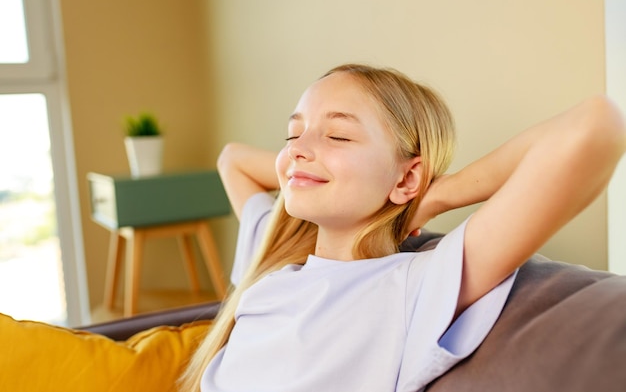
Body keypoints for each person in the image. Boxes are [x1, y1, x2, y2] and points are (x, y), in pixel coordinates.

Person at [180, 64, 625, 392]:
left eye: (338, 136)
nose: (299, 149)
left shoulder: (411, 287)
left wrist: (435, 195)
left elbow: (595, 129)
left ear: (406, 177)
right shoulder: (275, 254)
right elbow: (231, 160)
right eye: (292, 134)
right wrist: (304, 162)